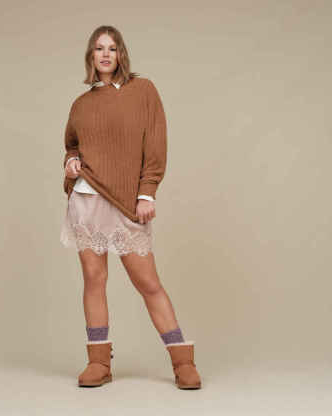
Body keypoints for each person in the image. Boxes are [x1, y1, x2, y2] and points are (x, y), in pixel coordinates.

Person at [60, 25, 202, 389]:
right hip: (87, 199)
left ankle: (183, 361)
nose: (106, 54)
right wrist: (71, 162)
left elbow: (155, 143)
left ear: (121, 54)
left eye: (112, 48)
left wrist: (147, 193)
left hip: (126, 203)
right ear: (91, 56)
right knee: (94, 279)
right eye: (99, 48)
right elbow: (72, 144)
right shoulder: (81, 104)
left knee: (147, 282)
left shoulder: (143, 90)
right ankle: (98, 362)